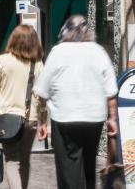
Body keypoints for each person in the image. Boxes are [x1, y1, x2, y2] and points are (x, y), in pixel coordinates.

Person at [34, 14, 118, 189]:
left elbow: (42, 92)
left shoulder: (58, 52)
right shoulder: (98, 51)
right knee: (88, 164)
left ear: (65, 32)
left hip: (65, 117)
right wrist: (112, 119)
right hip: (94, 118)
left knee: (69, 168)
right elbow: (111, 91)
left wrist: (42, 121)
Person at [0, 25, 47, 189]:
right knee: (25, 159)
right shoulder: (38, 64)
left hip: (8, 120)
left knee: (12, 160)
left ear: (12, 40)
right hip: (31, 119)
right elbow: (42, 96)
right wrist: (43, 122)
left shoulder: (1, 61)